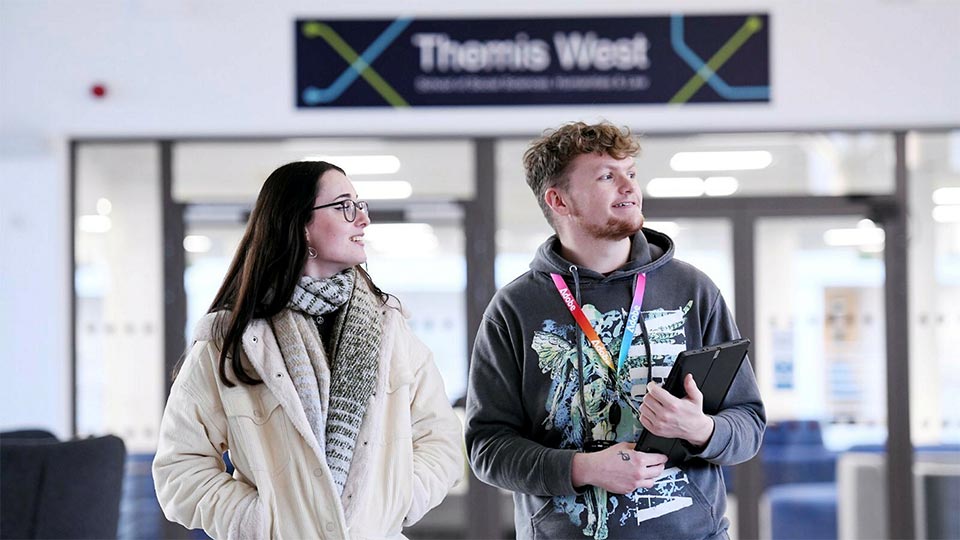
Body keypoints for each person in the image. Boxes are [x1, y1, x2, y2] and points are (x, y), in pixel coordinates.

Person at [465, 122, 765, 539]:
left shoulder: (692, 289)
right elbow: (487, 449)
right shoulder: (515, 308)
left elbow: (749, 423)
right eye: (607, 176)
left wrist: (702, 429)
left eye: (631, 173)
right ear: (559, 200)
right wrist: (582, 468)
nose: (629, 187)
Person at [153, 161, 464, 539]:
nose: (362, 219)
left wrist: (397, 499)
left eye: (360, 205)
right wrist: (259, 523)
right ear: (300, 225)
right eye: (345, 206)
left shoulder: (392, 331)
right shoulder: (232, 341)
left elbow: (441, 440)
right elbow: (179, 469)